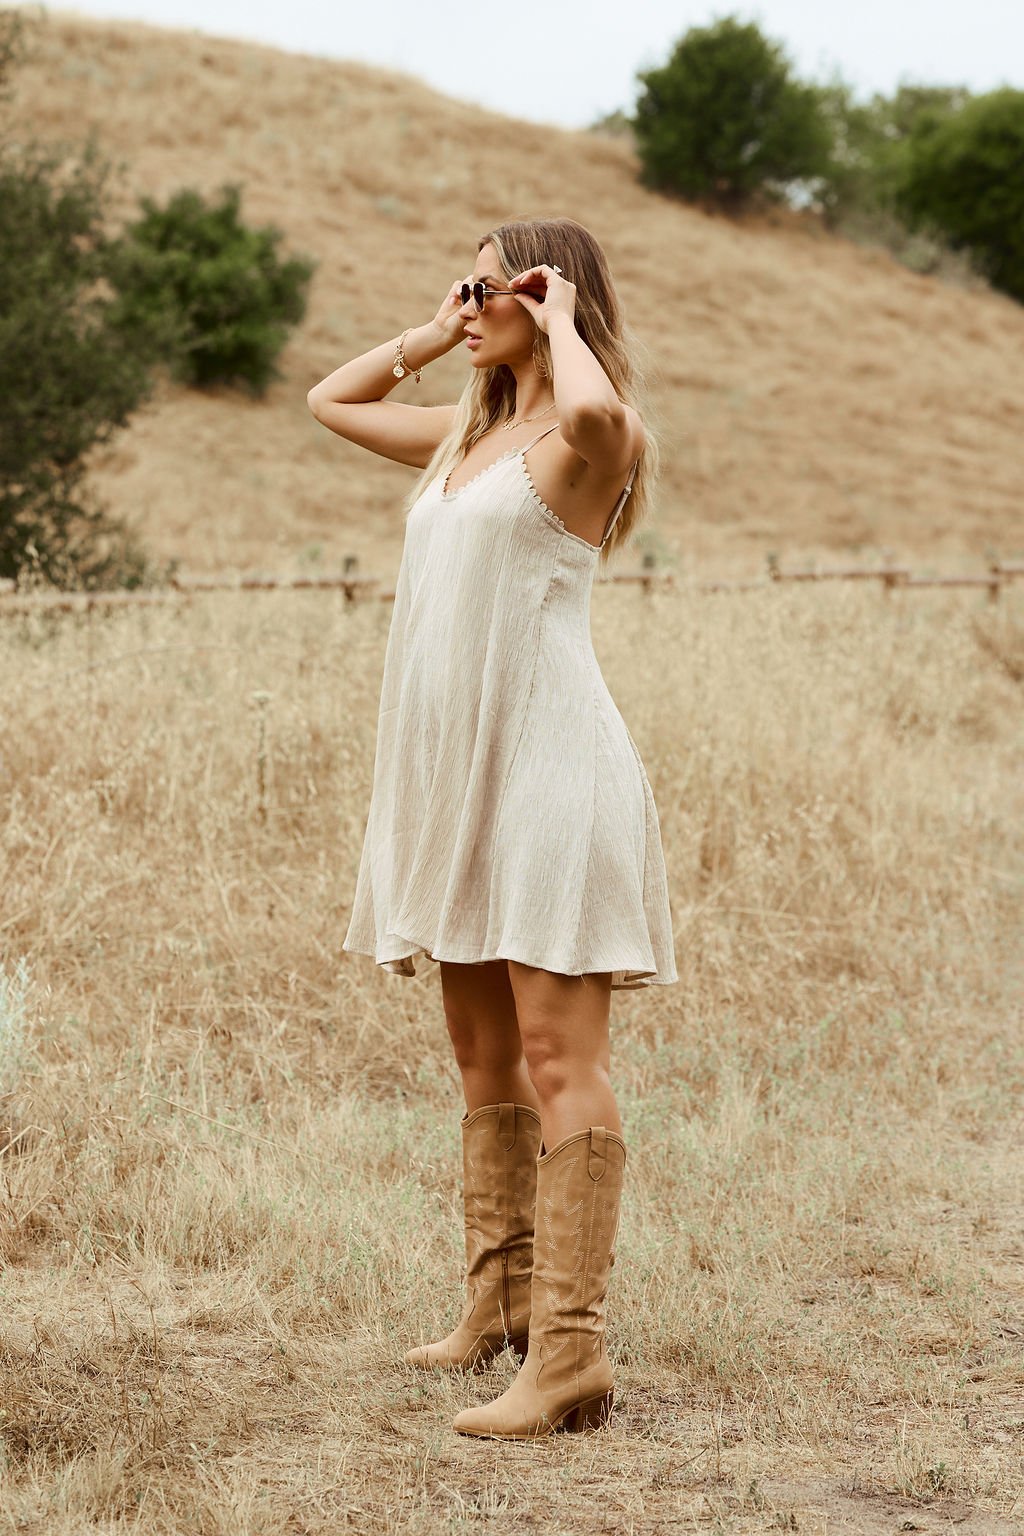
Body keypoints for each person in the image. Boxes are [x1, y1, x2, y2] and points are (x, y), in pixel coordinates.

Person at [307, 216, 678, 1440]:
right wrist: (433, 330)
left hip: (551, 767)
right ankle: (500, 1308)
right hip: (457, 778)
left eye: (491, 287)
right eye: (464, 286)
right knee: (482, 1056)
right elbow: (329, 401)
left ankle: (570, 1354)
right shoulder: (462, 440)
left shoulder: (585, 440)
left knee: (561, 1057)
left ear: (550, 295)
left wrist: (562, 316)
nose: (473, 305)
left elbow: (599, 412)